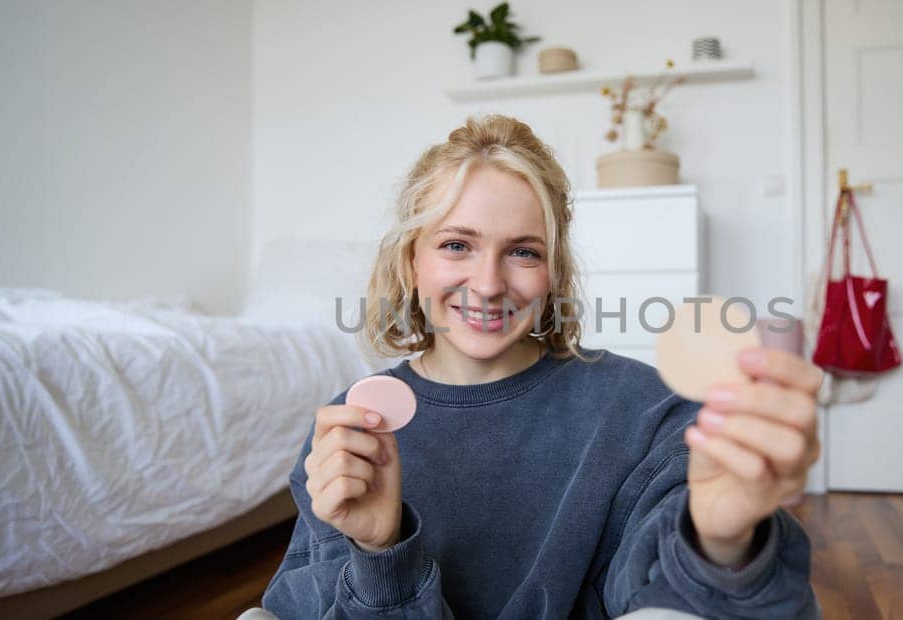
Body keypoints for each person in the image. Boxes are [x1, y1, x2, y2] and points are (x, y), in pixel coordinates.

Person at [259, 115, 822, 619]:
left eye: (523, 251)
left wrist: (721, 545)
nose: (487, 284)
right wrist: (380, 554)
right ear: (411, 261)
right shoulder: (350, 429)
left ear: (554, 271)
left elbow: (683, 601)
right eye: (456, 245)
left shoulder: (647, 412)